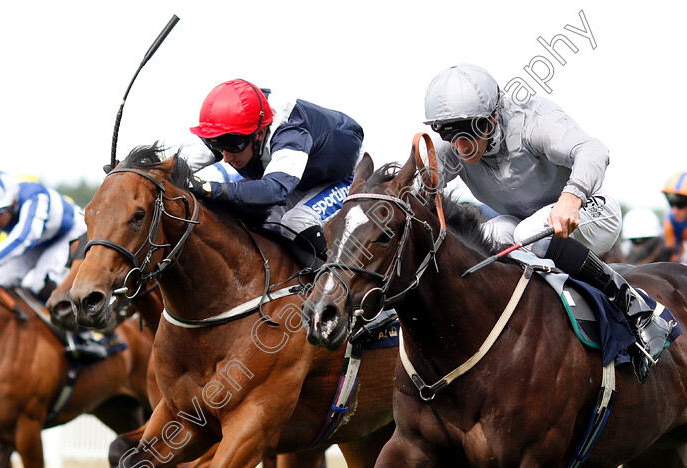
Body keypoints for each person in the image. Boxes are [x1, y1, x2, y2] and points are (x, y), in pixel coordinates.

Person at [424, 63, 672, 382]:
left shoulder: (532, 120)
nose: (460, 146)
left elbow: (593, 149)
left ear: (493, 118)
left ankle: (635, 306)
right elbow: (418, 192)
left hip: (590, 212)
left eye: (469, 131)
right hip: (527, 222)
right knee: (488, 239)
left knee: (529, 232)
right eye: (449, 133)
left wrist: (572, 196)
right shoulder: (452, 148)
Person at [187, 78, 364, 263]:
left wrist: (211, 188)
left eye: (233, 146)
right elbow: (173, 168)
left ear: (260, 133)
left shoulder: (291, 132)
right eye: (217, 146)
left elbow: (275, 190)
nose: (226, 157)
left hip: (345, 179)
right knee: (257, 223)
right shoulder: (236, 127)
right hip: (298, 182)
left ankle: (347, 280)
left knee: (296, 222)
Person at [0, 171, 106, 358]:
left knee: (38, 282)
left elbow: (23, 238)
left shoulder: (36, 197)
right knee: (2, 279)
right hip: (37, 241)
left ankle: (85, 335)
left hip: (65, 235)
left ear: (13, 203)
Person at [662, 171, 687, 263]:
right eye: (671, 203)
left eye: (681, 203)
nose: (675, 210)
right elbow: (674, 255)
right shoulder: (670, 220)